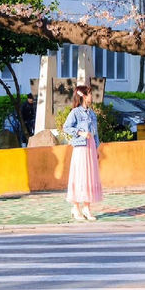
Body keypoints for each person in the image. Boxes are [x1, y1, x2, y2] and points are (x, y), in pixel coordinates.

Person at [62, 84, 102, 221]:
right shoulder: (75, 112)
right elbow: (66, 127)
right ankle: (76, 208)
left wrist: (96, 148)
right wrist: (80, 133)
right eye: (89, 94)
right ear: (84, 96)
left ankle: (87, 207)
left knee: (89, 176)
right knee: (80, 175)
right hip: (80, 148)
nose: (91, 96)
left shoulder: (92, 113)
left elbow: (95, 133)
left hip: (90, 148)